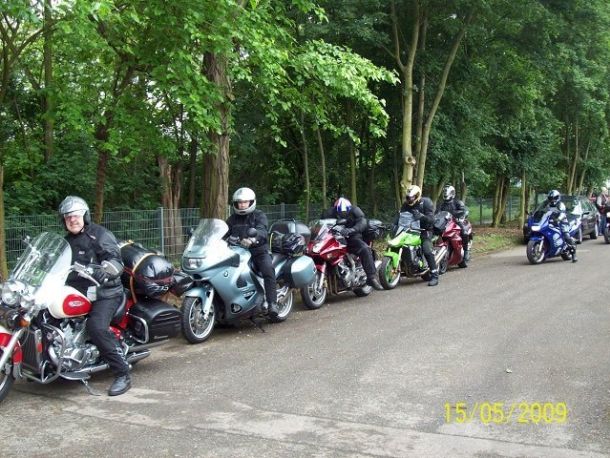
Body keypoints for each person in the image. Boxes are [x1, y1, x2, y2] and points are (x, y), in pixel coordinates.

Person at [59, 195, 131, 396]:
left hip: (105, 292)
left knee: (96, 327)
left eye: (76, 215)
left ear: (85, 216)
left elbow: (115, 260)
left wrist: (105, 271)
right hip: (77, 292)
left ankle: (122, 373)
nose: (72, 219)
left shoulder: (100, 235)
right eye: (67, 217)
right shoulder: (65, 243)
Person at [226, 187, 279, 318]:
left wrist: (253, 239)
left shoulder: (259, 215)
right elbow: (223, 232)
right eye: (239, 202)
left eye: (245, 202)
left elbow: (262, 230)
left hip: (257, 252)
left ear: (251, 202)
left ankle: (272, 303)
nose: (242, 205)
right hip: (237, 253)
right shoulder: (232, 219)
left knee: (268, 270)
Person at [321, 197, 383, 291]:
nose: (342, 214)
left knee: (365, 249)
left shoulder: (355, 211)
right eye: (340, 212)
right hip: (334, 237)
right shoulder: (328, 213)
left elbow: (362, 222)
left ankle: (371, 278)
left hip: (351, 236)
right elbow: (321, 224)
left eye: (345, 212)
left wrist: (352, 229)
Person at [396, 185, 439, 286]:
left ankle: (434, 275)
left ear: (417, 196)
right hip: (409, 231)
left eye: (411, 198)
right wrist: (393, 225)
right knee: (397, 244)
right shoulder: (405, 205)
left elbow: (431, 219)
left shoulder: (426, 202)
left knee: (427, 250)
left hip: (425, 230)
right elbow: (400, 216)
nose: (409, 200)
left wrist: (422, 217)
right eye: (408, 197)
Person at [436, 185, 470, 265]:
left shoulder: (457, 202)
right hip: (444, 222)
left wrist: (458, 214)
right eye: (444, 192)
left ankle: (466, 251)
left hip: (456, 221)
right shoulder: (441, 204)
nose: (445, 194)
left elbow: (463, 210)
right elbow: (436, 213)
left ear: (452, 193)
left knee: (464, 232)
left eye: (447, 192)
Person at [542, 189, 577, 262]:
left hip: (562, 223)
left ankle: (574, 254)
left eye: (554, 198)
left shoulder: (561, 205)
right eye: (551, 198)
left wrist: (558, 219)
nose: (552, 200)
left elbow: (562, 213)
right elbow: (542, 211)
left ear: (558, 197)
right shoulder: (547, 204)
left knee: (566, 236)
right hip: (550, 222)